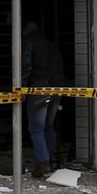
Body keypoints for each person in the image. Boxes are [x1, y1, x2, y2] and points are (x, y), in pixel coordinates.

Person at [21, 21, 64, 178]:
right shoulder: (51, 45)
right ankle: (49, 160)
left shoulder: (28, 43)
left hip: (39, 89)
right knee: (48, 126)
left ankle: (43, 163)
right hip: (57, 88)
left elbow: (26, 66)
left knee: (37, 127)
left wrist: (22, 86)